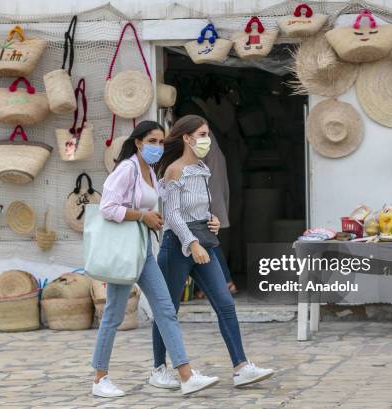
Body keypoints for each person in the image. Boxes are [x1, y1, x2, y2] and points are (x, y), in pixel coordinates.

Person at [91, 121, 219, 397]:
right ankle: (100, 379)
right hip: (124, 251)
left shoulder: (149, 170)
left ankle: (186, 375)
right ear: (138, 142)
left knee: (165, 309)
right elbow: (107, 207)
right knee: (113, 314)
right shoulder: (126, 169)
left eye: (161, 142)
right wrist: (143, 216)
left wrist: (153, 218)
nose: (157, 147)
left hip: (143, 249)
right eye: (152, 141)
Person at [150, 115, 274, 389]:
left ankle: (241, 366)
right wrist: (192, 244)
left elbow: (200, 208)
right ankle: (159, 369)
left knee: (225, 304)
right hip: (177, 245)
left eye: (207, 134)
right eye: (202, 134)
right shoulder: (174, 170)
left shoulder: (203, 169)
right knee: (168, 309)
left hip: (203, 242)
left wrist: (213, 220)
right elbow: (172, 213)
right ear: (186, 138)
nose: (206, 140)